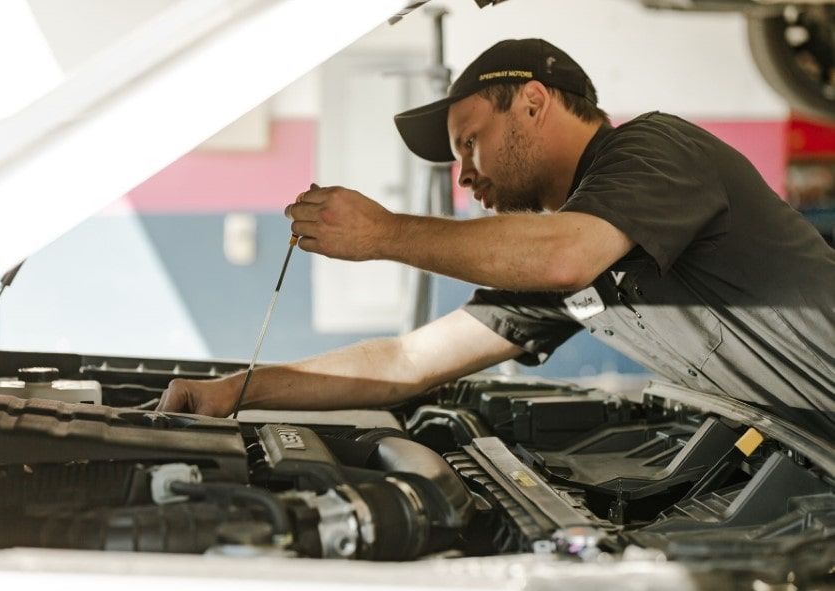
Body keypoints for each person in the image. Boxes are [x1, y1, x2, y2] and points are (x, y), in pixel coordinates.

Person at [159, 39, 835, 439]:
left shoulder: (655, 149)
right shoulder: (551, 264)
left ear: (534, 102)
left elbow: (568, 253)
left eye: (470, 142)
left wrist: (384, 233)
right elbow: (403, 362)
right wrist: (235, 389)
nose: (464, 174)